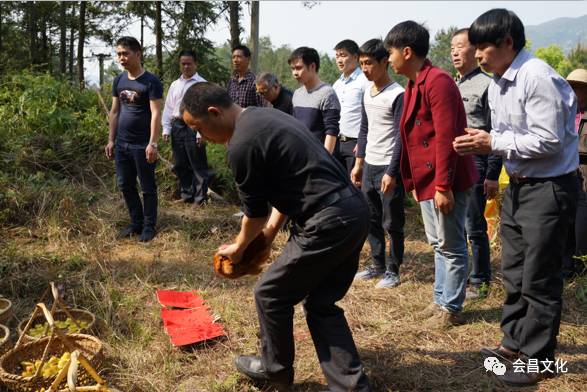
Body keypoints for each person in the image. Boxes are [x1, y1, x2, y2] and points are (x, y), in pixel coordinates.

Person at [182, 82, 371, 391]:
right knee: (322, 303)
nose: (199, 137)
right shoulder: (262, 117)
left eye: (198, 127)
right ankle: (352, 387)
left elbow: (254, 214)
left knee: (270, 294)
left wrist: (240, 247)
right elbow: (287, 187)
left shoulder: (242, 144)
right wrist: (269, 235)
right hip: (352, 212)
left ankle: (276, 376)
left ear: (214, 113)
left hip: (327, 221)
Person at [454, 9, 579, 386]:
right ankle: (513, 343)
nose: (477, 56)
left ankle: (538, 359)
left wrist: (492, 141)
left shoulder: (537, 77)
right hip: (521, 186)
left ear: (508, 43)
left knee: (539, 275)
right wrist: (481, 144)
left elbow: (549, 140)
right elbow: (507, 137)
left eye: (483, 48)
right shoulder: (498, 83)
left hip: (549, 188)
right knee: (514, 269)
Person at [384, 21, 478, 327]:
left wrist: (442, 185)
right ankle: (440, 299)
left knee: (451, 245)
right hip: (428, 180)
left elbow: (446, 138)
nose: (389, 59)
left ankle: (451, 307)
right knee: (439, 243)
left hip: (445, 179)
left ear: (407, 52)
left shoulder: (437, 82)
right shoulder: (414, 84)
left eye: (391, 53)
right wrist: (414, 181)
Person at [450, 28, 503, 299]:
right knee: (456, 224)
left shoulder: (488, 85)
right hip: (454, 163)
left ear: (475, 49)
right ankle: (460, 277)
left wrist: (492, 174)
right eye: (452, 47)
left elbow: (497, 132)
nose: (455, 52)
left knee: (474, 225)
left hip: (477, 163)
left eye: (460, 46)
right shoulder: (452, 84)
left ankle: (480, 280)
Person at [352, 38, 406, 289]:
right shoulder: (367, 92)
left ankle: (393, 270)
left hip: (388, 166)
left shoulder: (398, 95)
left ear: (385, 61)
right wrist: (358, 162)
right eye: (362, 63)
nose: (365, 69)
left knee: (391, 221)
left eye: (369, 63)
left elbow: (400, 137)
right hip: (370, 164)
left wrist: (392, 172)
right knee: (371, 219)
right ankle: (377, 265)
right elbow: (364, 129)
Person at [105, 36, 163, 242]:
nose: (121, 58)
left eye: (125, 53)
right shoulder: (119, 80)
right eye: (119, 54)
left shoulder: (151, 81)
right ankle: (136, 222)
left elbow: (156, 114)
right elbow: (114, 111)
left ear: (138, 54)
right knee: (125, 184)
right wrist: (111, 140)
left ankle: (149, 226)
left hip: (142, 144)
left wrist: (152, 143)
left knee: (147, 187)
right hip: (122, 144)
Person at [162, 50, 210, 206]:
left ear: (196, 63)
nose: (186, 66)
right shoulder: (175, 85)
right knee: (180, 163)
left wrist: (201, 132)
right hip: (177, 125)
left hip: (194, 126)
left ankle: (200, 199)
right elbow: (168, 108)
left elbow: (205, 111)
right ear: (179, 64)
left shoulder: (201, 84)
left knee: (197, 163)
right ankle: (187, 194)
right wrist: (166, 129)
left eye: (189, 63)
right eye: (183, 63)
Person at [289, 46, 341, 154]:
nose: (295, 73)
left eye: (298, 68)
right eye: (292, 68)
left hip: (319, 159)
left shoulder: (327, 94)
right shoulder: (297, 94)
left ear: (312, 66)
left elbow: (331, 131)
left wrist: (325, 159)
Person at [333, 39, 369, 174]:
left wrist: (362, 142)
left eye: (343, 55)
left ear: (355, 57)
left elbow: (370, 115)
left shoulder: (365, 81)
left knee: (356, 187)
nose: (339, 60)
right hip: (337, 143)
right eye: (337, 56)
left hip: (355, 144)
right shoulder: (337, 84)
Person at [566, 69, 587, 275]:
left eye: (579, 87)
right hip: (568, 175)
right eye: (571, 87)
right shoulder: (567, 113)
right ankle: (568, 265)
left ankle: (581, 266)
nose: (573, 91)